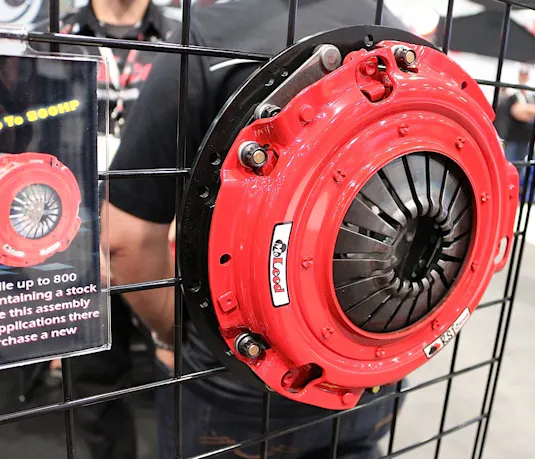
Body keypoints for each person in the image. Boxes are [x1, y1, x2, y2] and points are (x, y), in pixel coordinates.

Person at [103, 1, 403, 458]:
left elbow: (125, 241)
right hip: (373, 362)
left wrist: (174, 335)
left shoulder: (204, 41)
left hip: (234, 375)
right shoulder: (398, 36)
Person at [33, 2, 179, 458]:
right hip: (75, 242)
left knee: (178, 366)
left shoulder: (183, 36)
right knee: (92, 388)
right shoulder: (52, 35)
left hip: (162, 237)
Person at [499, 65, 535, 165]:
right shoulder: (513, 96)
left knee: (522, 165)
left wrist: (525, 110)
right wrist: (529, 111)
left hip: (526, 138)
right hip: (512, 137)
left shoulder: (532, 96)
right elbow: (517, 112)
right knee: (510, 164)